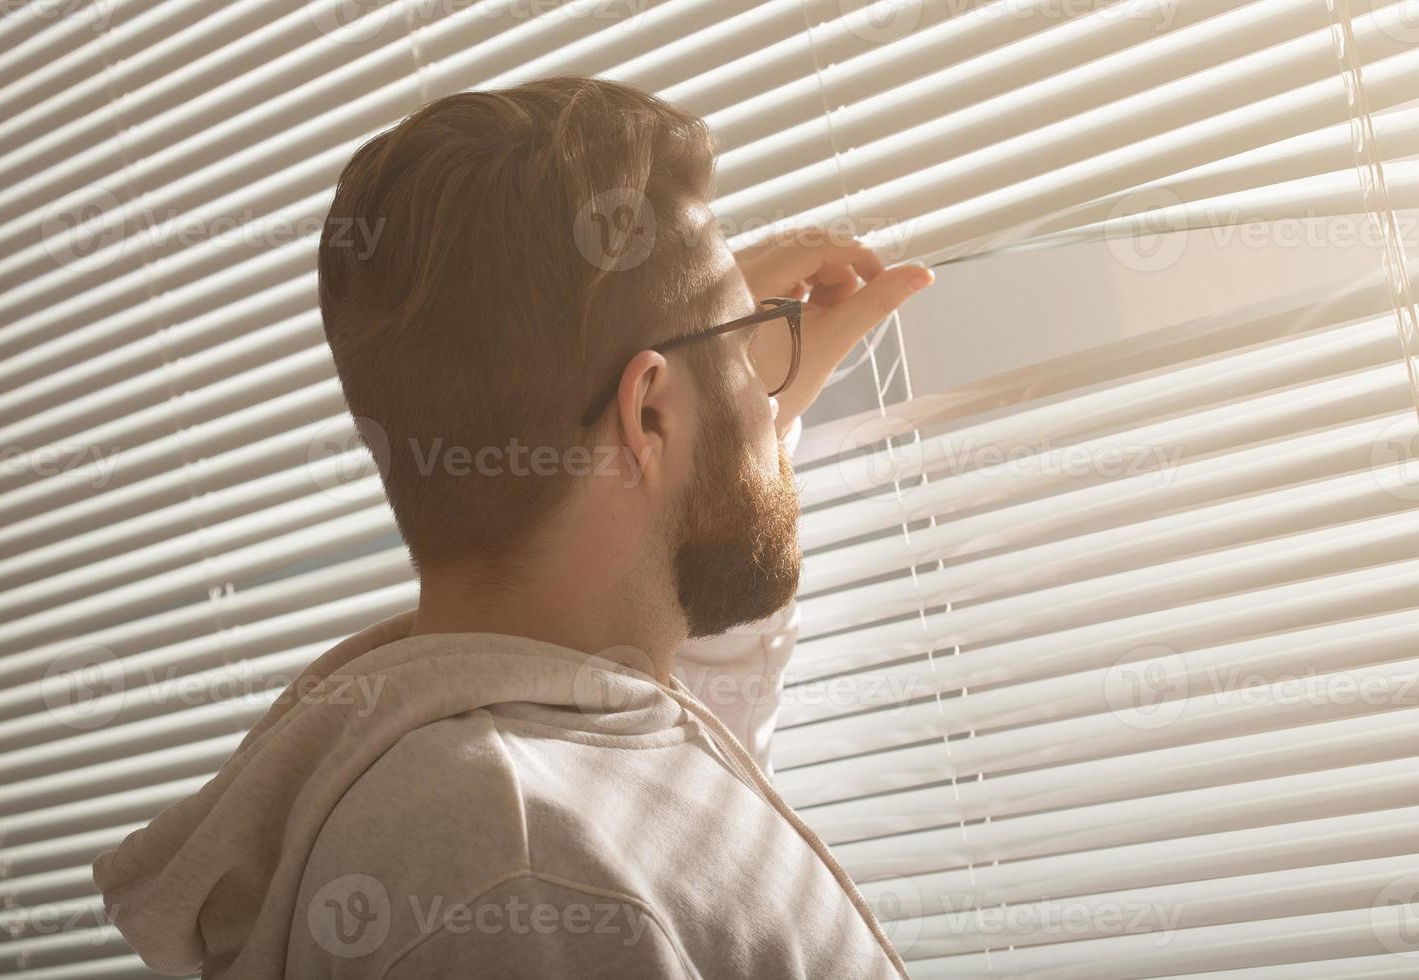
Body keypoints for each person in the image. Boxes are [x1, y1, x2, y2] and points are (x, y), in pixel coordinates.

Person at [94, 74, 932, 979]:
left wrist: (730, 392)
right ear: (648, 414)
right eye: (746, 347)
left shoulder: (561, 746)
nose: (766, 389)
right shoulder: (514, 868)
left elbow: (686, 790)